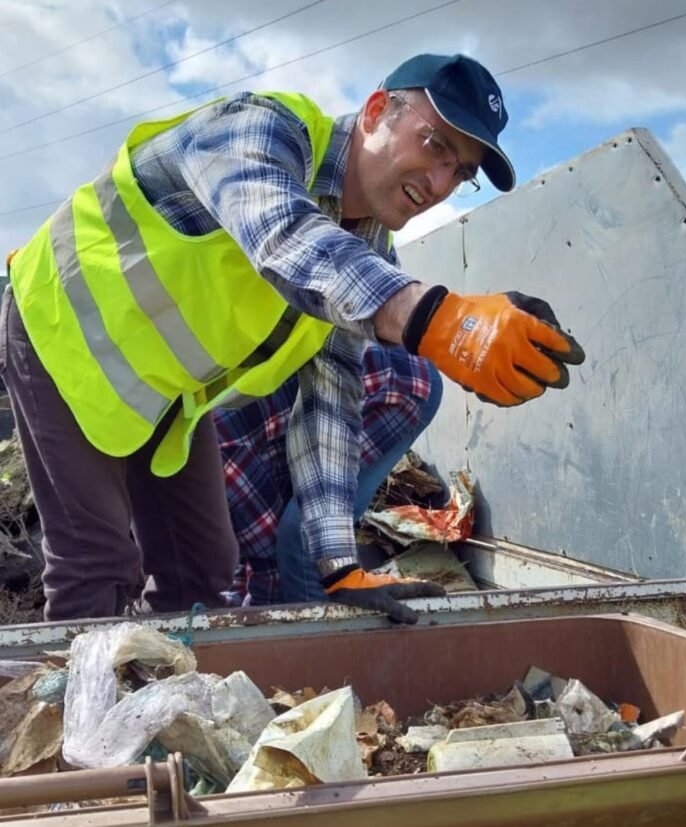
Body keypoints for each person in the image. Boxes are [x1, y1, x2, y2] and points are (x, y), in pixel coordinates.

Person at [1, 52, 584, 623]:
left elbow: (330, 406)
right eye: (435, 146)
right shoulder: (259, 128)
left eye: (460, 173)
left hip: (159, 387)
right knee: (97, 564)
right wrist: (431, 316)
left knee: (202, 569)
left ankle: (164, 702)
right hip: (62, 330)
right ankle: (75, 713)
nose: (438, 182)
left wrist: (337, 564)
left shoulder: (368, 248)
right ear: (378, 110)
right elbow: (281, 235)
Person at [216, 343, 442, 621]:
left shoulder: (220, 459)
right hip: (319, 401)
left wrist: (260, 634)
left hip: (391, 386)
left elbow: (271, 561)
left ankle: (322, 653)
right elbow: (242, 555)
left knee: (304, 537)